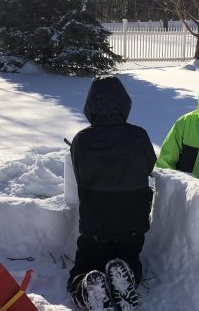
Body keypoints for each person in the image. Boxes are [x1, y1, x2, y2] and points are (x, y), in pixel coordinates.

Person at [67, 75, 156, 311]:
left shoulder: (82, 140)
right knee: (131, 258)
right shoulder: (139, 136)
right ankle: (126, 275)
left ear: (90, 106)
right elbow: (150, 165)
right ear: (125, 104)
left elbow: (78, 173)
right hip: (133, 223)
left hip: (96, 224)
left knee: (85, 265)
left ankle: (86, 288)